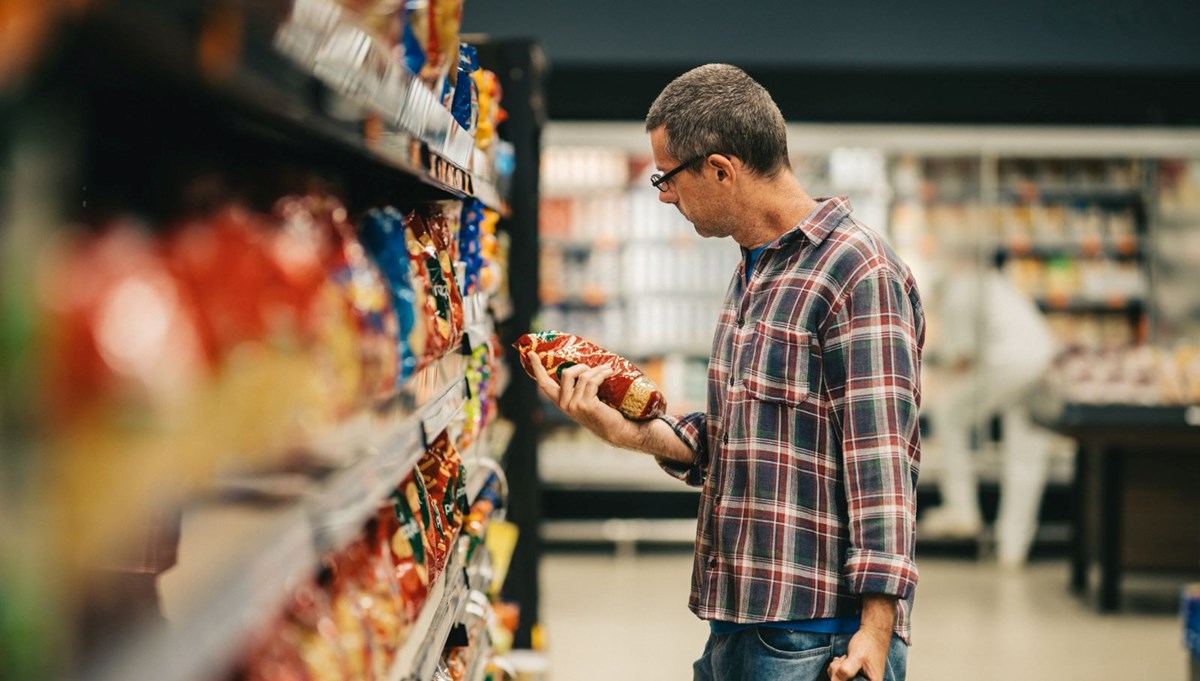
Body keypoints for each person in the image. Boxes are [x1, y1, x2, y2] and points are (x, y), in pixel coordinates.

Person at [524, 64, 924, 681]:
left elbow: (883, 463)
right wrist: (624, 430)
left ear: (719, 169)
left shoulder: (857, 273)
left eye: (666, 177)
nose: (661, 195)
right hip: (738, 621)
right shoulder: (755, 270)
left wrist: (877, 631)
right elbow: (740, 441)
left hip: (819, 637)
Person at [919, 265, 1057, 566]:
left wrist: (930, 371)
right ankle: (1013, 549)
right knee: (1026, 457)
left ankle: (962, 509)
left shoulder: (955, 294)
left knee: (948, 413)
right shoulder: (988, 281)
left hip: (1007, 361)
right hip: (1043, 359)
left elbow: (964, 357)